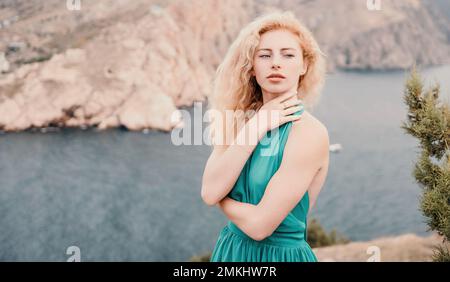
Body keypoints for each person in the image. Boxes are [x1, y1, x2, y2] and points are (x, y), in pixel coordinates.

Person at [201, 10, 329, 262]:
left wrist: (221, 200)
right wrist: (256, 125)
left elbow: (260, 226)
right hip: (231, 251)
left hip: (279, 257)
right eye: (265, 55)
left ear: (304, 65)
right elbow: (209, 190)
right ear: (251, 68)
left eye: (288, 54)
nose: (276, 63)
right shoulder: (240, 121)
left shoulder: (309, 133)